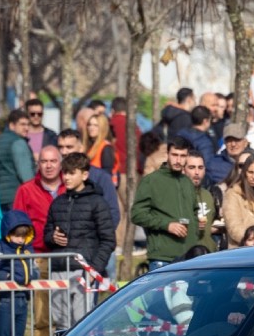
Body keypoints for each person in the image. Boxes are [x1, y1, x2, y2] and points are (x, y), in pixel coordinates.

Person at [44, 153, 117, 329]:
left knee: (82, 324)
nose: (66, 177)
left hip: (83, 272)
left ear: (84, 175)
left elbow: (108, 240)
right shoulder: (57, 202)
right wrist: (52, 237)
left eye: (72, 173)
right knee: (61, 324)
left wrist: (94, 270)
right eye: (65, 172)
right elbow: (46, 235)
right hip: (59, 269)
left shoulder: (97, 203)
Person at [12, 145, 66, 336]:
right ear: (38, 164)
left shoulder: (69, 187)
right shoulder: (26, 190)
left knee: (68, 316)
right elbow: (17, 225)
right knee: (42, 317)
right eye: (44, 161)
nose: (49, 165)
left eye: (53, 161)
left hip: (66, 258)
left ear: (60, 163)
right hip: (40, 257)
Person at [131, 136, 198, 271]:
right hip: (163, 258)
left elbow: (194, 212)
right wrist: (166, 225)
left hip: (189, 257)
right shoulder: (151, 181)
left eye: (182, 156)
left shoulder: (187, 182)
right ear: (167, 155)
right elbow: (137, 214)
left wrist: (197, 225)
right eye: (174, 155)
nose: (178, 160)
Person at [0, 210, 39, 336]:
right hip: (5, 300)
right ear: (8, 233)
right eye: (17, 235)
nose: (20, 240)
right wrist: (5, 277)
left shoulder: (28, 250)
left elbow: (35, 268)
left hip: (22, 299)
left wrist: (33, 276)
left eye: (23, 236)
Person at [0, 109, 36, 210]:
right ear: (12, 125)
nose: (26, 128)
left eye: (28, 124)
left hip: (0, 198)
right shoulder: (18, 143)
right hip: (17, 198)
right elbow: (27, 177)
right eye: (22, 124)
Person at [183, 150, 218, 252]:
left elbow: (208, 227)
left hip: (209, 254)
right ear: (183, 170)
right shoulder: (177, 194)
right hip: (187, 256)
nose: (197, 172)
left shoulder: (207, 195)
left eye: (200, 168)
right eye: (192, 167)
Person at [83, 112, 117, 178]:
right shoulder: (89, 146)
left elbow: (107, 173)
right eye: (89, 125)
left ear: (102, 127)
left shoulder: (106, 147)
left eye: (96, 125)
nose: (91, 128)